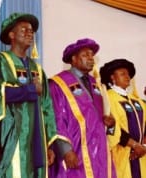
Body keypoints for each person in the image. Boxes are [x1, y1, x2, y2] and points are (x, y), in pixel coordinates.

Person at [0, 13, 57, 178]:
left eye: (31, 31)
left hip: (36, 137)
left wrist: (50, 143)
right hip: (12, 136)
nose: (30, 33)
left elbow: (47, 108)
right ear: (11, 35)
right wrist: (30, 90)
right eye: (24, 30)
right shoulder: (1, 61)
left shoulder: (36, 69)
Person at [48, 38, 116, 178]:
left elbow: (98, 117)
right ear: (73, 59)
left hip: (98, 149)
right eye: (85, 55)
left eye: (92, 55)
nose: (91, 58)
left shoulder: (96, 84)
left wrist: (110, 125)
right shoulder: (58, 84)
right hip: (75, 147)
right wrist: (66, 150)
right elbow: (55, 118)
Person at [100, 59, 146, 178]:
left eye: (128, 74)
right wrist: (135, 145)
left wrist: (143, 147)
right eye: (122, 74)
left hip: (141, 155)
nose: (127, 77)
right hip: (121, 153)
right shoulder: (108, 99)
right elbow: (113, 128)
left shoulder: (137, 100)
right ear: (112, 78)